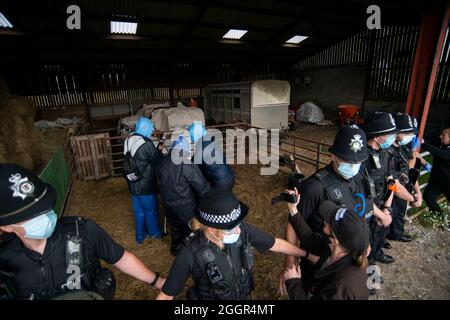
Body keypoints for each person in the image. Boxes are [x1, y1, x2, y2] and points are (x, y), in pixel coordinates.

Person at [0, 163, 165, 300]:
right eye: (31, 215)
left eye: (45, 207)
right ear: (6, 226)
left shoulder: (82, 231)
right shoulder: (5, 257)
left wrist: (160, 283)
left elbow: (122, 259)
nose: (44, 216)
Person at [156, 189, 319, 300]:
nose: (239, 231)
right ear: (212, 229)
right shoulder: (190, 252)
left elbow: (276, 244)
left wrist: (308, 255)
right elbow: (167, 294)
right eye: (231, 228)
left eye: (238, 224)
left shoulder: (243, 229)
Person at [283, 125, 373, 286]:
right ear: (333, 155)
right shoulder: (314, 187)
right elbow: (293, 223)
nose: (354, 166)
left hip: (350, 253)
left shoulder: (358, 174)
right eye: (347, 160)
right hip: (320, 255)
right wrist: (290, 261)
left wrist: (364, 240)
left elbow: (361, 205)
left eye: (358, 161)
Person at [283, 197, 370, 300]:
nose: (325, 220)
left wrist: (293, 283)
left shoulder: (341, 288)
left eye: (329, 221)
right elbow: (308, 237)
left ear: (336, 240)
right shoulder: (336, 247)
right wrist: (293, 208)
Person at [362, 111, 415, 265]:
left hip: (383, 205)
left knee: (380, 236)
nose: (393, 136)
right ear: (378, 137)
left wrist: (387, 207)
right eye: (390, 133)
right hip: (368, 209)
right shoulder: (362, 157)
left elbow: (391, 181)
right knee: (366, 247)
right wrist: (380, 213)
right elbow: (359, 193)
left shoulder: (385, 154)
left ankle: (377, 254)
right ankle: (369, 278)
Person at [155, 135, 211, 255]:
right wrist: (210, 198)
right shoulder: (187, 165)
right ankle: (193, 253)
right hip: (185, 206)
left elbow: (159, 181)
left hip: (168, 205)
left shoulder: (161, 163)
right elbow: (202, 187)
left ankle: (175, 249)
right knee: (191, 229)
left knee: (175, 228)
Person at [123, 116, 163, 244]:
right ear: (145, 127)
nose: (151, 130)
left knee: (138, 211)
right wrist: (159, 151)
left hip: (132, 183)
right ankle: (154, 233)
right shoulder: (146, 143)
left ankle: (140, 236)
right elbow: (156, 160)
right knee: (150, 210)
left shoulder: (128, 140)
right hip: (146, 185)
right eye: (150, 127)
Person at [386, 113, 422, 244]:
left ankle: (395, 234)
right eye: (408, 132)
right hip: (393, 189)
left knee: (398, 212)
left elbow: (409, 169)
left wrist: (416, 191)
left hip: (401, 187)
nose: (410, 136)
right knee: (388, 214)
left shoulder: (401, 148)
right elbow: (393, 182)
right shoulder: (388, 150)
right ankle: (382, 240)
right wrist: (413, 197)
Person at [189, 122, 235, 190]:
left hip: (219, 183)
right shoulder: (212, 142)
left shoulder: (200, 149)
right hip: (230, 177)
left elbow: (192, 169)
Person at [421, 128, 450, 213]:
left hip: (448, 182)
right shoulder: (442, 143)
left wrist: (424, 143)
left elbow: (442, 154)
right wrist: (421, 140)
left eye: (444, 135)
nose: (440, 136)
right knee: (428, 197)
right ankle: (439, 218)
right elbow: (432, 143)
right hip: (436, 180)